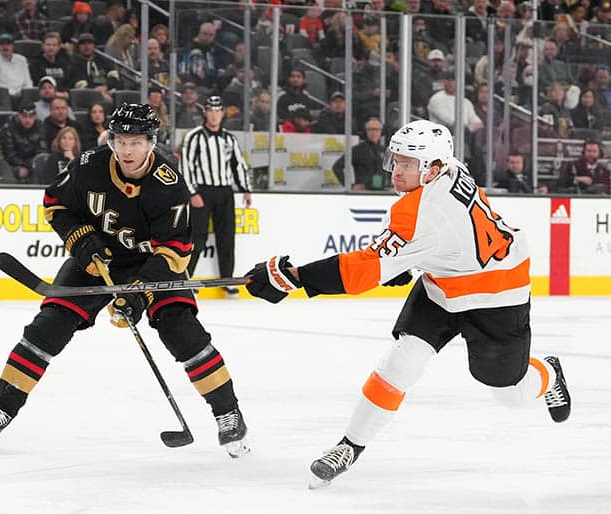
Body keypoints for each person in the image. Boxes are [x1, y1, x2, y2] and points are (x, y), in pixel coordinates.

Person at [243, 120, 572, 487]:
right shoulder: (450, 169)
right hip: (443, 283)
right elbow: (437, 239)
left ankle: (549, 372)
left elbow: (362, 271)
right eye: (395, 161)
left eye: (406, 165)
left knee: (511, 393)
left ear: (432, 169)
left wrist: (292, 276)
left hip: (496, 294)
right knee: (402, 361)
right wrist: (406, 258)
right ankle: (350, 445)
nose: (396, 172)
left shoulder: (421, 212)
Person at [0, 103, 250, 459]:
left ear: (152, 141)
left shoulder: (169, 183)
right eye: (120, 141)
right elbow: (55, 203)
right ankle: (2, 407)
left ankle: (228, 413)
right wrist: (82, 240)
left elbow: (175, 252)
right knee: (47, 326)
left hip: (154, 264)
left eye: (135, 142)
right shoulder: (89, 166)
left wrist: (137, 293)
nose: (126, 151)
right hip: (97, 257)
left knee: (181, 330)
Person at [181, 96, 252, 294]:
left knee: (227, 236)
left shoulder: (229, 138)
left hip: (224, 191)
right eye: (210, 110)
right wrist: (192, 192)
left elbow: (239, 164)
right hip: (202, 190)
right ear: (205, 113)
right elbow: (185, 166)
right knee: (197, 236)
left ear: (222, 113)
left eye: (217, 110)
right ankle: (187, 279)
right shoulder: (194, 137)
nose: (214, 114)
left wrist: (246, 188)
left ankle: (227, 279)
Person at [332, 117, 389, 191]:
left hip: (382, 192)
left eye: (377, 129)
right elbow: (337, 167)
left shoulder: (384, 150)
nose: (374, 132)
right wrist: (351, 186)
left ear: (381, 132)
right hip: (363, 193)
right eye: (370, 129)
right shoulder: (357, 150)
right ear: (366, 131)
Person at [0, 104, 46, 183]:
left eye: (31, 117)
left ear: (35, 116)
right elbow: (9, 154)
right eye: (24, 116)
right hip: (13, 164)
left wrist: (30, 166)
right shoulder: (8, 128)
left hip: (32, 163)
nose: (27, 120)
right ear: (19, 116)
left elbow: (42, 150)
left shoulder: (40, 127)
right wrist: (21, 166)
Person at [0, 33, 34, 100]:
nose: (5, 47)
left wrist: (26, 94)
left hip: (22, 96)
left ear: (13, 46)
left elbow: (28, 82)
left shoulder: (22, 60)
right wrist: (12, 95)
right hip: (3, 97)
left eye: (8, 44)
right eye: (2, 44)